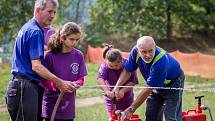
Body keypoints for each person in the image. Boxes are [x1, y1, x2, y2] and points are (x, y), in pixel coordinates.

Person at [5, 0, 75, 121]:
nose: (52, 16)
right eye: (49, 11)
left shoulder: (28, 27)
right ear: (38, 10)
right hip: (25, 86)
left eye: (54, 12)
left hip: (22, 86)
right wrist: (60, 82)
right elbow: (36, 66)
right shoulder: (35, 31)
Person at [113, 36, 185, 121]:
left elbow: (149, 88)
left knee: (171, 117)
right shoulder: (134, 53)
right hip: (154, 84)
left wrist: (131, 108)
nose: (148, 55)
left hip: (173, 83)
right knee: (151, 115)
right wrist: (117, 87)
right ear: (137, 50)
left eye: (151, 51)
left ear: (155, 47)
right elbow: (128, 70)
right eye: (144, 52)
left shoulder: (161, 61)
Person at [41, 22, 88, 121]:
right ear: (62, 38)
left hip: (69, 107)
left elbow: (81, 79)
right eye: (71, 39)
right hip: (51, 106)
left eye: (77, 40)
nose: (74, 42)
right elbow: (43, 81)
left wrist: (75, 84)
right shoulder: (49, 56)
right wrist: (57, 85)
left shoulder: (79, 55)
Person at [97, 44, 138, 118]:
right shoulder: (104, 66)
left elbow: (132, 82)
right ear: (107, 61)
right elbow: (100, 79)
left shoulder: (128, 64)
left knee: (126, 117)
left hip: (127, 98)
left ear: (121, 61)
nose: (113, 68)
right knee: (113, 117)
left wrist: (122, 91)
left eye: (116, 65)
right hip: (111, 98)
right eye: (111, 66)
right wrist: (107, 91)